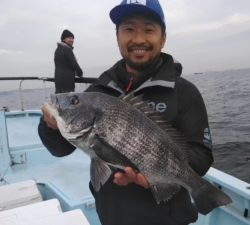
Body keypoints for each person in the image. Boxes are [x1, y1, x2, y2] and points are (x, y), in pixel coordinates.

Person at [38, 0, 213, 224]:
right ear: (117, 36)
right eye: (129, 29)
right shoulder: (98, 91)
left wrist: (158, 175)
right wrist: (50, 124)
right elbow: (60, 149)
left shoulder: (184, 92)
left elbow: (202, 156)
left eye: (149, 29)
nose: (139, 39)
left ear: (163, 37)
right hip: (111, 217)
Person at [54, 29, 83, 93]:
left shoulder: (58, 50)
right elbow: (74, 64)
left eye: (73, 38)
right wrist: (80, 73)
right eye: (69, 38)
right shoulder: (67, 49)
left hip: (59, 83)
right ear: (64, 39)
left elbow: (64, 65)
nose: (72, 40)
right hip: (67, 84)